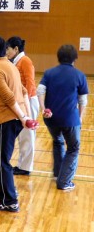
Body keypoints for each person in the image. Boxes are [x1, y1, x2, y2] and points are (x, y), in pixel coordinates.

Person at [0, 35, 33, 212]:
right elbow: (24, 91)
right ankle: (3, 192)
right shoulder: (10, 65)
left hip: (8, 119)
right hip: (13, 119)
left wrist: (23, 117)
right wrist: (26, 115)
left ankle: (10, 200)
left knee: (2, 159)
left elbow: (9, 96)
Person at [37, 44, 88, 191]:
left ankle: (58, 173)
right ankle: (64, 181)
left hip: (51, 119)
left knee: (57, 141)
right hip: (70, 119)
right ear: (75, 58)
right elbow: (82, 100)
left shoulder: (49, 73)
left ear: (58, 57)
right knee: (73, 148)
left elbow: (40, 90)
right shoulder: (79, 75)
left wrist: (43, 109)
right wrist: (80, 117)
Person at [6, 36, 39, 176]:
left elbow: (30, 84)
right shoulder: (16, 61)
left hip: (29, 101)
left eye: (8, 49)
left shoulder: (25, 61)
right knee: (23, 135)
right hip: (23, 100)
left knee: (27, 134)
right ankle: (22, 164)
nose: (6, 52)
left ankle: (25, 167)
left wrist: (27, 110)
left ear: (16, 49)